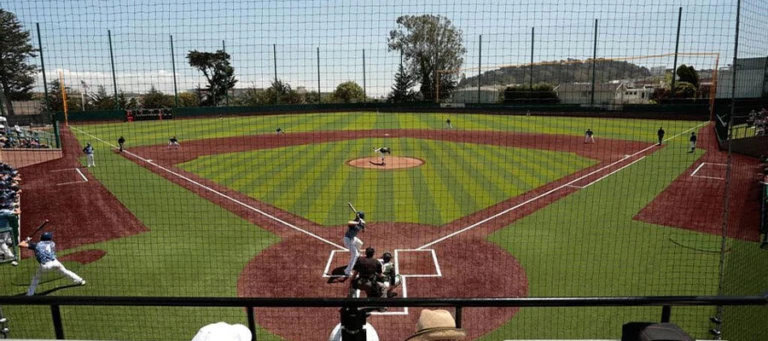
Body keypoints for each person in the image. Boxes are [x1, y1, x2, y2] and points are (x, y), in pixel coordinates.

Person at [19, 232, 86, 296]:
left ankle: (30, 294)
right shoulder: (52, 243)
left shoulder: (36, 245)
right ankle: (80, 280)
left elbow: (20, 244)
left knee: (36, 278)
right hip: (55, 263)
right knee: (66, 271)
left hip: (45, 266)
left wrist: (26, 240)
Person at [343, 211, 366, 277]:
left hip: (353, 238)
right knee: (355, 254)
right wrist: (358, 222)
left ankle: (357, 255)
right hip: (348, 240)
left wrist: (363, 226)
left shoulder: (361, 222)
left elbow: (363, 231)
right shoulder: (354, 222)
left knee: (360, 243)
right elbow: (349, 223)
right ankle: (347, 271)